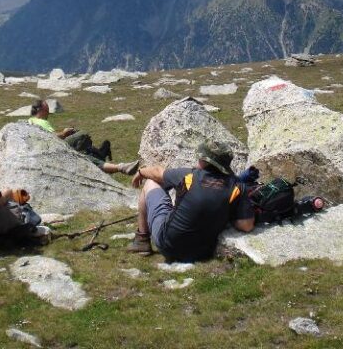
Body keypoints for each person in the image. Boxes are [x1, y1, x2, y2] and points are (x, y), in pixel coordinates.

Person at [127, 140, 255, 261]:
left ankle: (141, 241)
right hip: (203, 253)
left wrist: (141, 172)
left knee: (150, 182)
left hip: (169, 246)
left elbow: (156, 172)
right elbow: (246, 225)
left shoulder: (189, 176)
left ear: (205, 161)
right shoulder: (237, 186)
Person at [28, 99, 139, 175]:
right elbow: (52, 137)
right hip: (52, 150)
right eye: (47, 110)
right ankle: (105, 156)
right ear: (40, 110)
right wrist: (64, 133)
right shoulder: (41, 122)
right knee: (82, 135)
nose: (48, 113)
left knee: (82, 156)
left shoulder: (29, 121)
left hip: (44, 151)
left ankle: (119, 166)